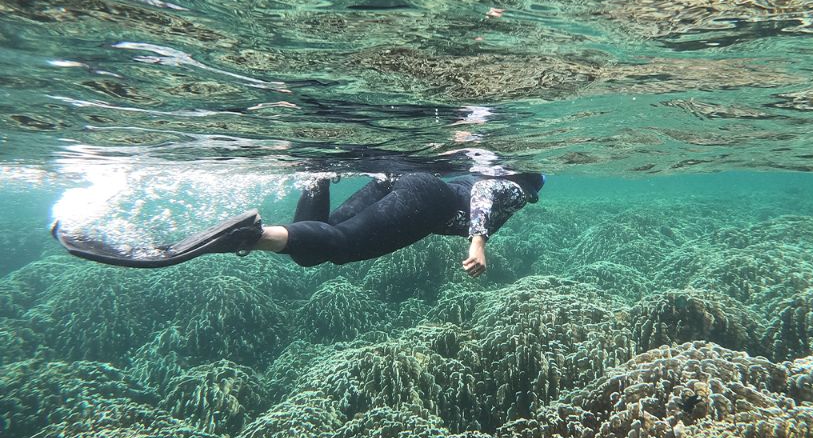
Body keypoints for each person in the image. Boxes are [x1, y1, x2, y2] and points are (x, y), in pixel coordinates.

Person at [52, 172, 546, 277]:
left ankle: (315, 174)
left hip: (405, 181)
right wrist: (479, 241)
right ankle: (246, 234)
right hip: (428, 196)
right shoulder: (512, 185)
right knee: (345, 245)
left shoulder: (477, 165)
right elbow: (483, 194)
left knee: (314, 246)